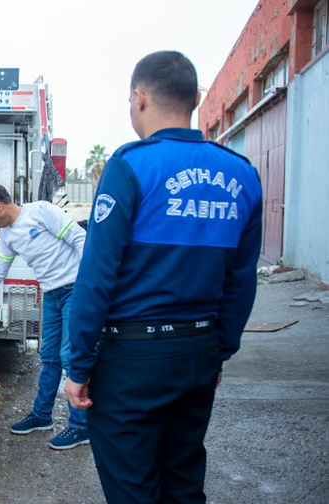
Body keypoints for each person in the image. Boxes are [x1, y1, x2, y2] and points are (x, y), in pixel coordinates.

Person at [65, 51, 262, 503]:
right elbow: (241, 280)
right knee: (184, 482)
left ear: (139, 97)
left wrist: (79, 366)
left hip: (131, 361)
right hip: (198, 354)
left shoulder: (131, 166)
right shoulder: (242, 174)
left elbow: (96, 277)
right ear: (195, 99)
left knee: (133, 487)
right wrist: (218, 352)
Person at [0, 183, 88, 450]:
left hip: (74, 289)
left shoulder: (41, 212)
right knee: (49, 356)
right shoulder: (8, 235)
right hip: (51, 294)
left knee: (70, 355)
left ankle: (81, 426)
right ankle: (42, 415)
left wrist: (88, 281)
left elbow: (80, 239)